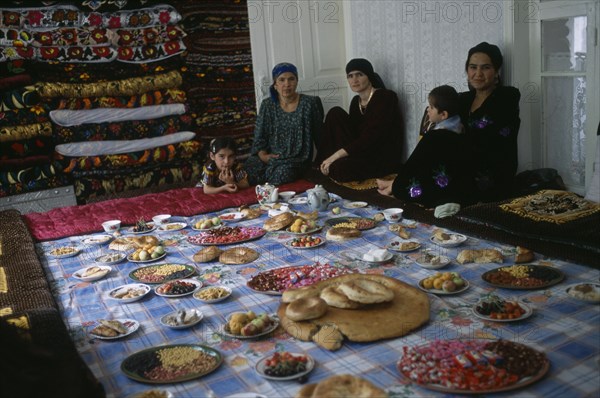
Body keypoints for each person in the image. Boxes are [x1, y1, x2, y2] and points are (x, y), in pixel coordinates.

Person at [377, 85, 473, 207]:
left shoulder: (434, 136)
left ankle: (392, 186)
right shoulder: (461, 127)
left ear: (443, 114)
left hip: (439, 190)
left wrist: (399, 184)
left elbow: (413, 163)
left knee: (407, 179)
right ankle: (392, 183)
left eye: (432, 107)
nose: (428, 110)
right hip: (458, 185)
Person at [317, 58, 403, 181]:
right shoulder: (355, 102)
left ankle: (330, 162)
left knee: (339, 168)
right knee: (335, 113)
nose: (354, 80)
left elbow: (372, 137)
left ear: (369, 76)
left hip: (380, 156)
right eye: (350, 76)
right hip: (362, 151)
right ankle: (325, 162)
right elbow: (354, 134)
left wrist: (334, 157)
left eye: (359, 75)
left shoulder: (385, 97)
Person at [458, 42, 521, 202]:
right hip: (463, 167)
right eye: (473, 67)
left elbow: (490, 138)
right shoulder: (462, 100)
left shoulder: (507, 97)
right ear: (467, 70)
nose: (478, 73)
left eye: (485, 67)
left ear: (496, 71)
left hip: (493, 176)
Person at [244, 62, 324, 185]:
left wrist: (324, 161)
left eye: (291, 79)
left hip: (296, 159)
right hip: (271, 157)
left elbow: (319, 135)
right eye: (282, 80)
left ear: (297, 82)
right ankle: (264, 180)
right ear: (275, 84)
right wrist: (263, 155)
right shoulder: (267, 105)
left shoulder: (310, 103)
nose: (287, 84)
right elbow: (259, 135)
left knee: (282, 173)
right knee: (250, 164)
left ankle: (263, 183)